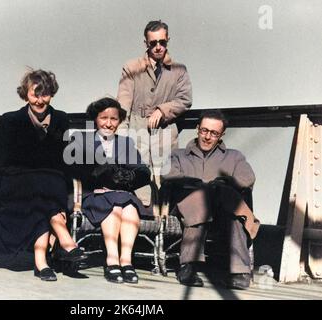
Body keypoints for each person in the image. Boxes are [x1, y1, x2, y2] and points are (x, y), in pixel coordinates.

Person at [0, 69, 86, 281]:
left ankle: (41, 262)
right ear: (26, 94)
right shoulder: (10, 121)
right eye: (35, 94)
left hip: (45, 192)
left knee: (45, 186)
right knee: (43, 181)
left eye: (45, 94)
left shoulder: (61, 120)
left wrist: (69, 200)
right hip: (15, 188)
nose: (40, 100)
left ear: (52, 94)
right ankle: (64, 238)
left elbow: (64, 163)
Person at [161, 109, 260, 290]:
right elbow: (168, 174)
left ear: (221, 135)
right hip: (187, 207)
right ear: (197, 129)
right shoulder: (179, 155)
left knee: (233, 211)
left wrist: (224, 183)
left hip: (223, 209)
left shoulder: (234, 156)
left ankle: (239, 273)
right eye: (204, 131)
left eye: (214, 133)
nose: (207, 137)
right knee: (203, 198)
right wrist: (198, 184)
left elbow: (247, 178)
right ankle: (188, 266)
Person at [65, 97, 152, 284]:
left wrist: (127, 177)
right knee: (116, 205)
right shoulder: (81, 140)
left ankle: (126, 262)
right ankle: (112, 260)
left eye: (114, 119)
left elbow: (143, 171)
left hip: (121, 195)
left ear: (119, 121)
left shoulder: (125, 143)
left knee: (128, 205)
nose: (109, 123)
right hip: (91, 194)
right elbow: (72, 169)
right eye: (104, 118)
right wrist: (100, 173)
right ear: (95, 119)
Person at [117, 20, 192, 205]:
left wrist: (163, 110)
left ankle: (162, 226)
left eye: (162, 42)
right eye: (153, 43)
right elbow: (123, 103)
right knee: (136, 175)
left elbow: (185, 99)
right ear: (146, 43)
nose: (158, 47)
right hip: (137, 127)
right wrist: (121, 136)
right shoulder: (132, 67)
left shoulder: (179, 70)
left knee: (164, 178)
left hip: (165, 131)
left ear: (168, 40)